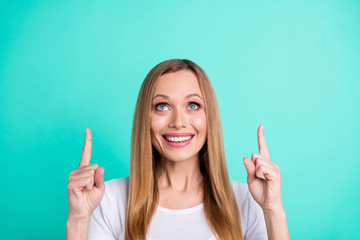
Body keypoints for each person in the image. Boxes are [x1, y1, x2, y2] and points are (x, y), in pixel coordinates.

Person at [66, 59, 290, 240]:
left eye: (193, 105)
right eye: (162, 106)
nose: (178, 121)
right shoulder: (108, 200)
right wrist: (78, 219)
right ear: (146, 118)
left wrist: (273, 211)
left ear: (209, 117)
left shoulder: (248, 199)